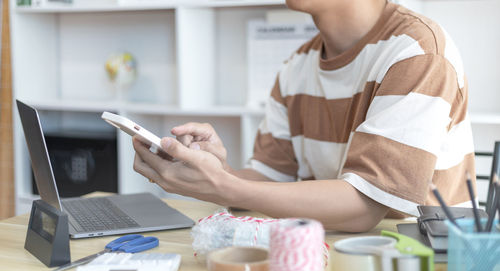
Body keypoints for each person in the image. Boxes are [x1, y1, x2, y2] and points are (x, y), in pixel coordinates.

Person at [132, 0, 475, 232]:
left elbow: (364, 206)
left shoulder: (417, 51)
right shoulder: (297, 64)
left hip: (423, 260)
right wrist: (217, 170)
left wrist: (225, 186)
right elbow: (273, 180)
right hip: (333, 248)